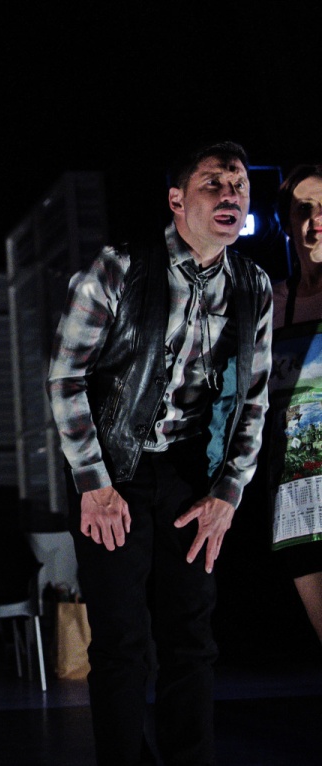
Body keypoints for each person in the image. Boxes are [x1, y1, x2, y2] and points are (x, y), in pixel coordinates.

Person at [47, 141, 273, 765]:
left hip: (190, 474)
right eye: (213, 184)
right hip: (114, 469)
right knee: (121, 642)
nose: (230, 196)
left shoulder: (251, 285)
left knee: (191, 639)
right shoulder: (121, 266)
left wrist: (228, 493)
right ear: (177, 200)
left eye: (238, 185)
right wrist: (93, 483)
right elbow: (65, 377)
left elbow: (253, 399)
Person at [268, 165, 322, 644]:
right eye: (303, 208)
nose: (315, 219)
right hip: (297, 493)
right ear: (286, 223)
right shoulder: (271, 304)